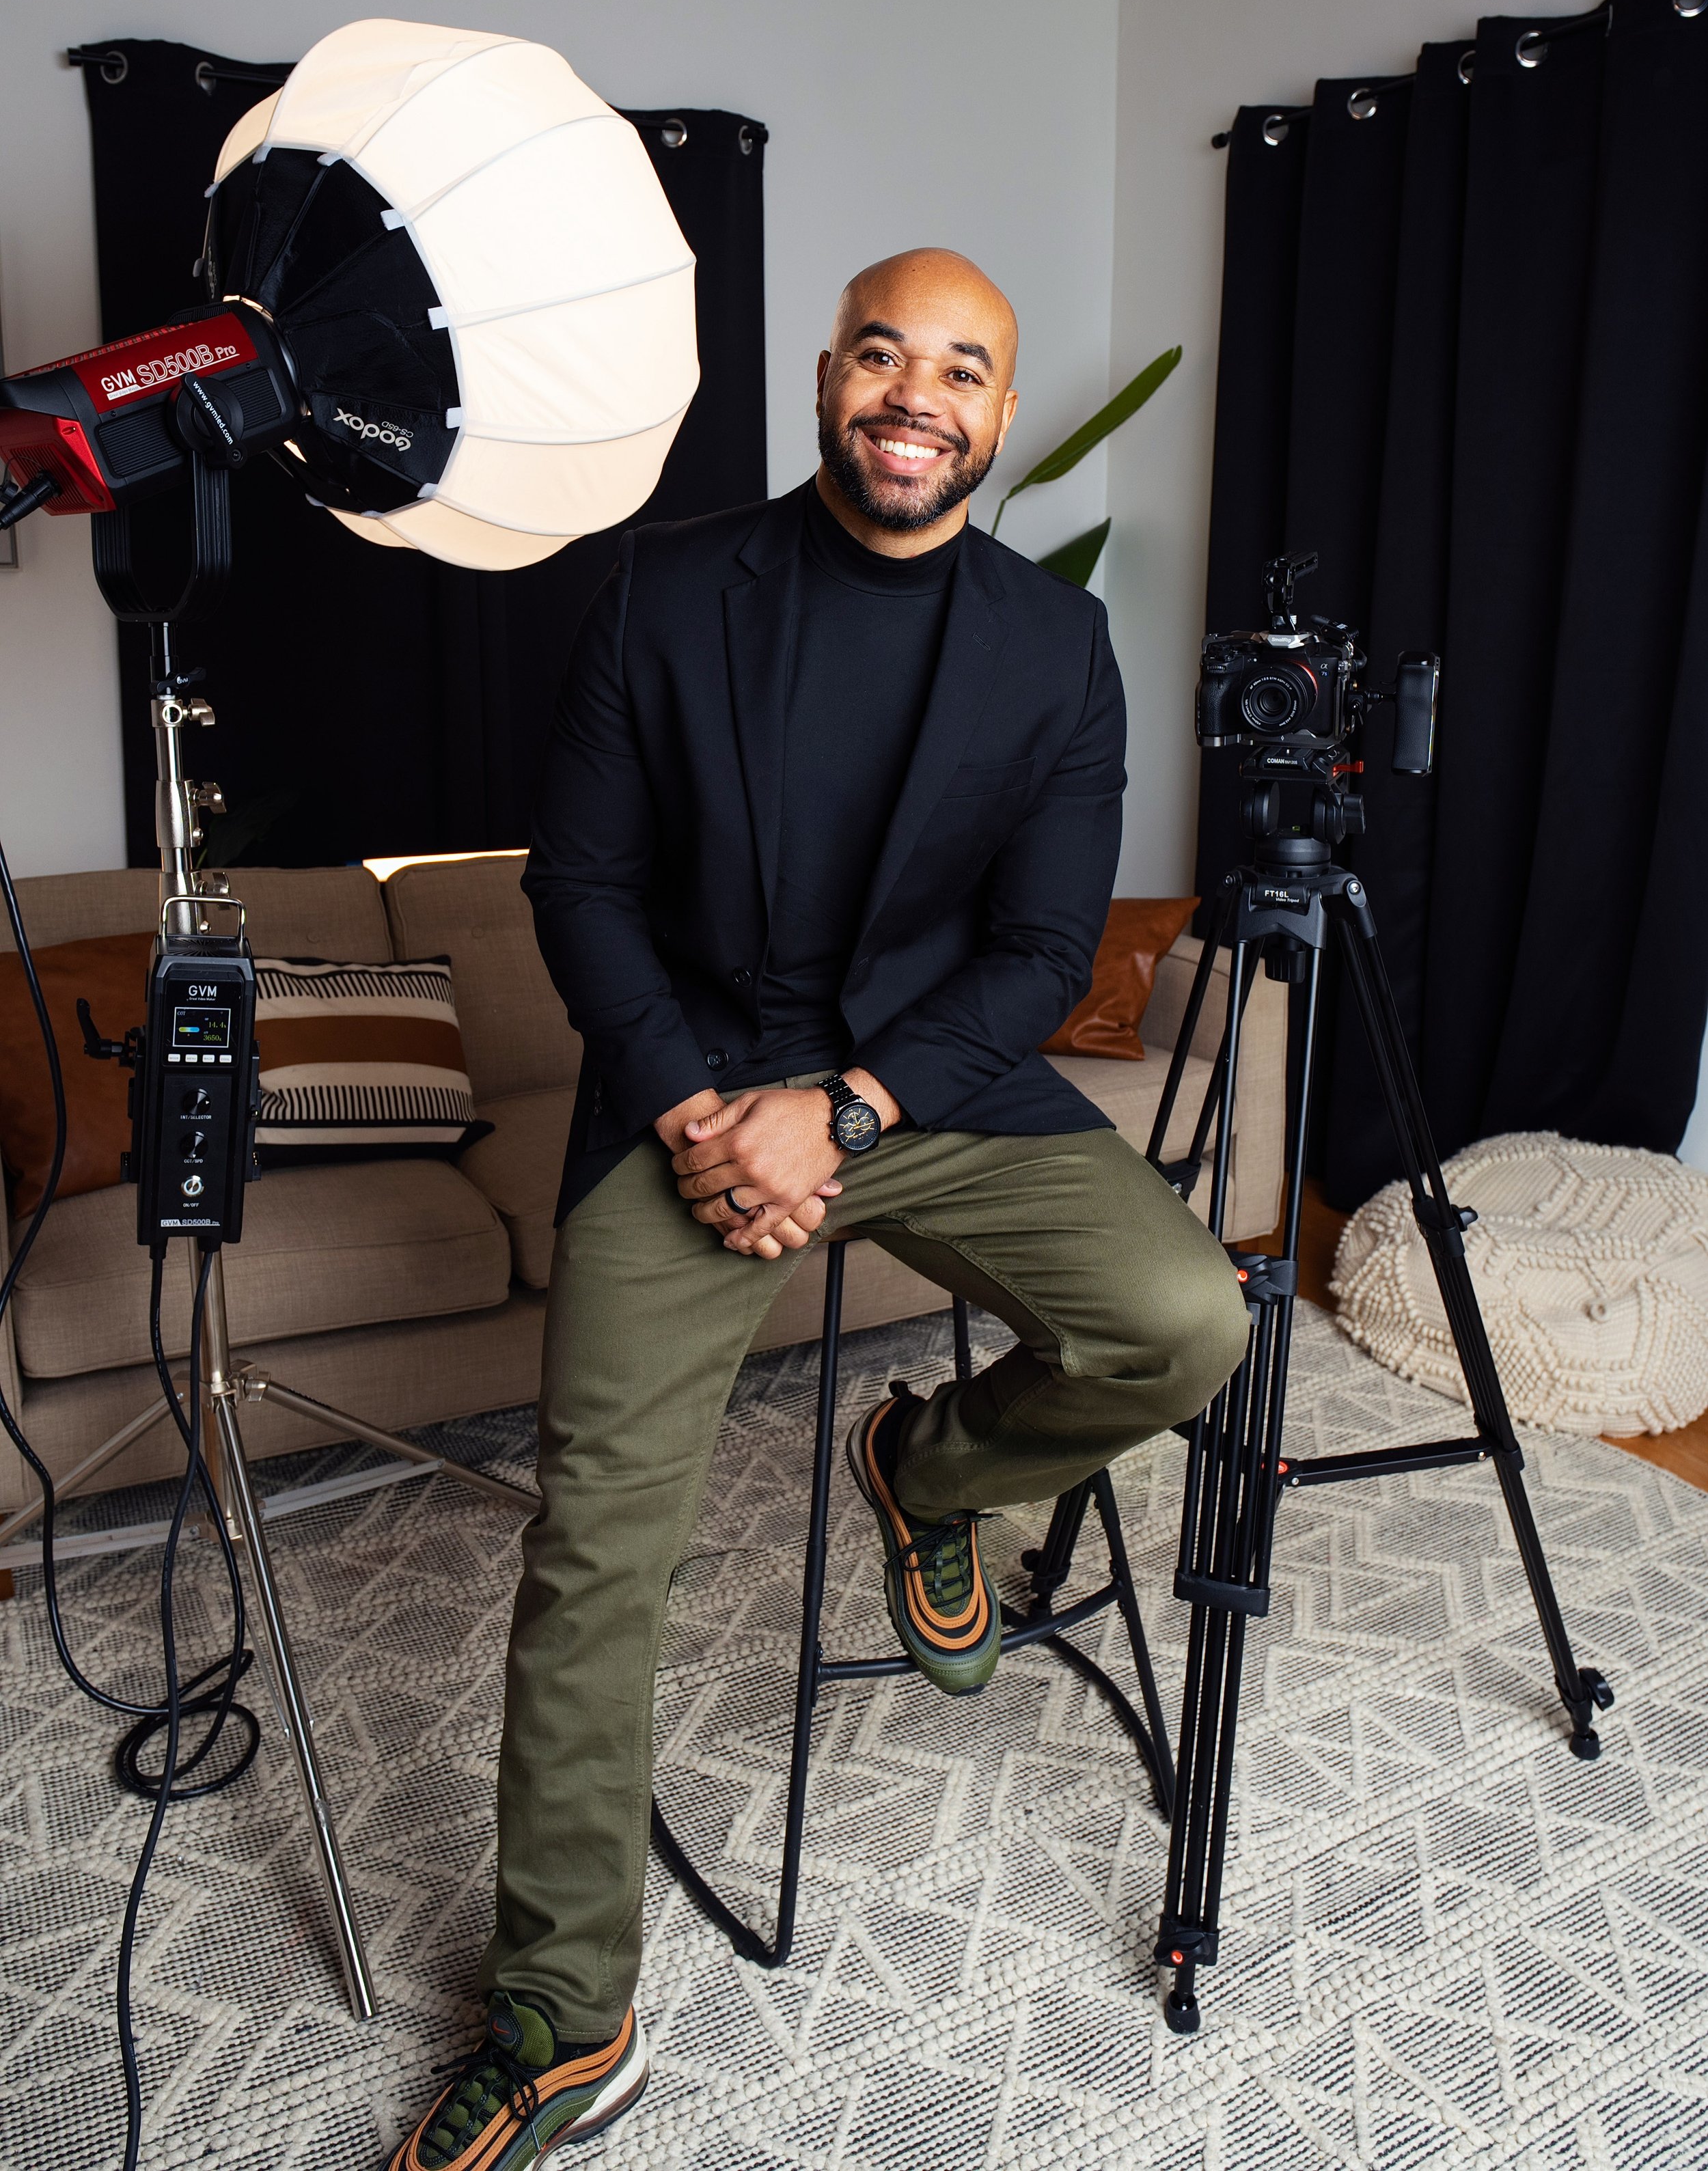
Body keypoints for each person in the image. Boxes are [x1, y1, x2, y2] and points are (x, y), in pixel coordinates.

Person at [386, 249, 1250, 2167]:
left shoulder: (1049, 644)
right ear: (825, 379)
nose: (915, 393)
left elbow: (1035, 949)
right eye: (883, 352)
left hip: (927, 1084)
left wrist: (842, 1110)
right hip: (685, 1098)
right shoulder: (673, 587)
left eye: (962, 366)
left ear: (1000, 417)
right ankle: (559, 2007)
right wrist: (709, 1109)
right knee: (595, 1548)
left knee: (1188, 1321)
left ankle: (930, 1472)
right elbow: (582, 891)